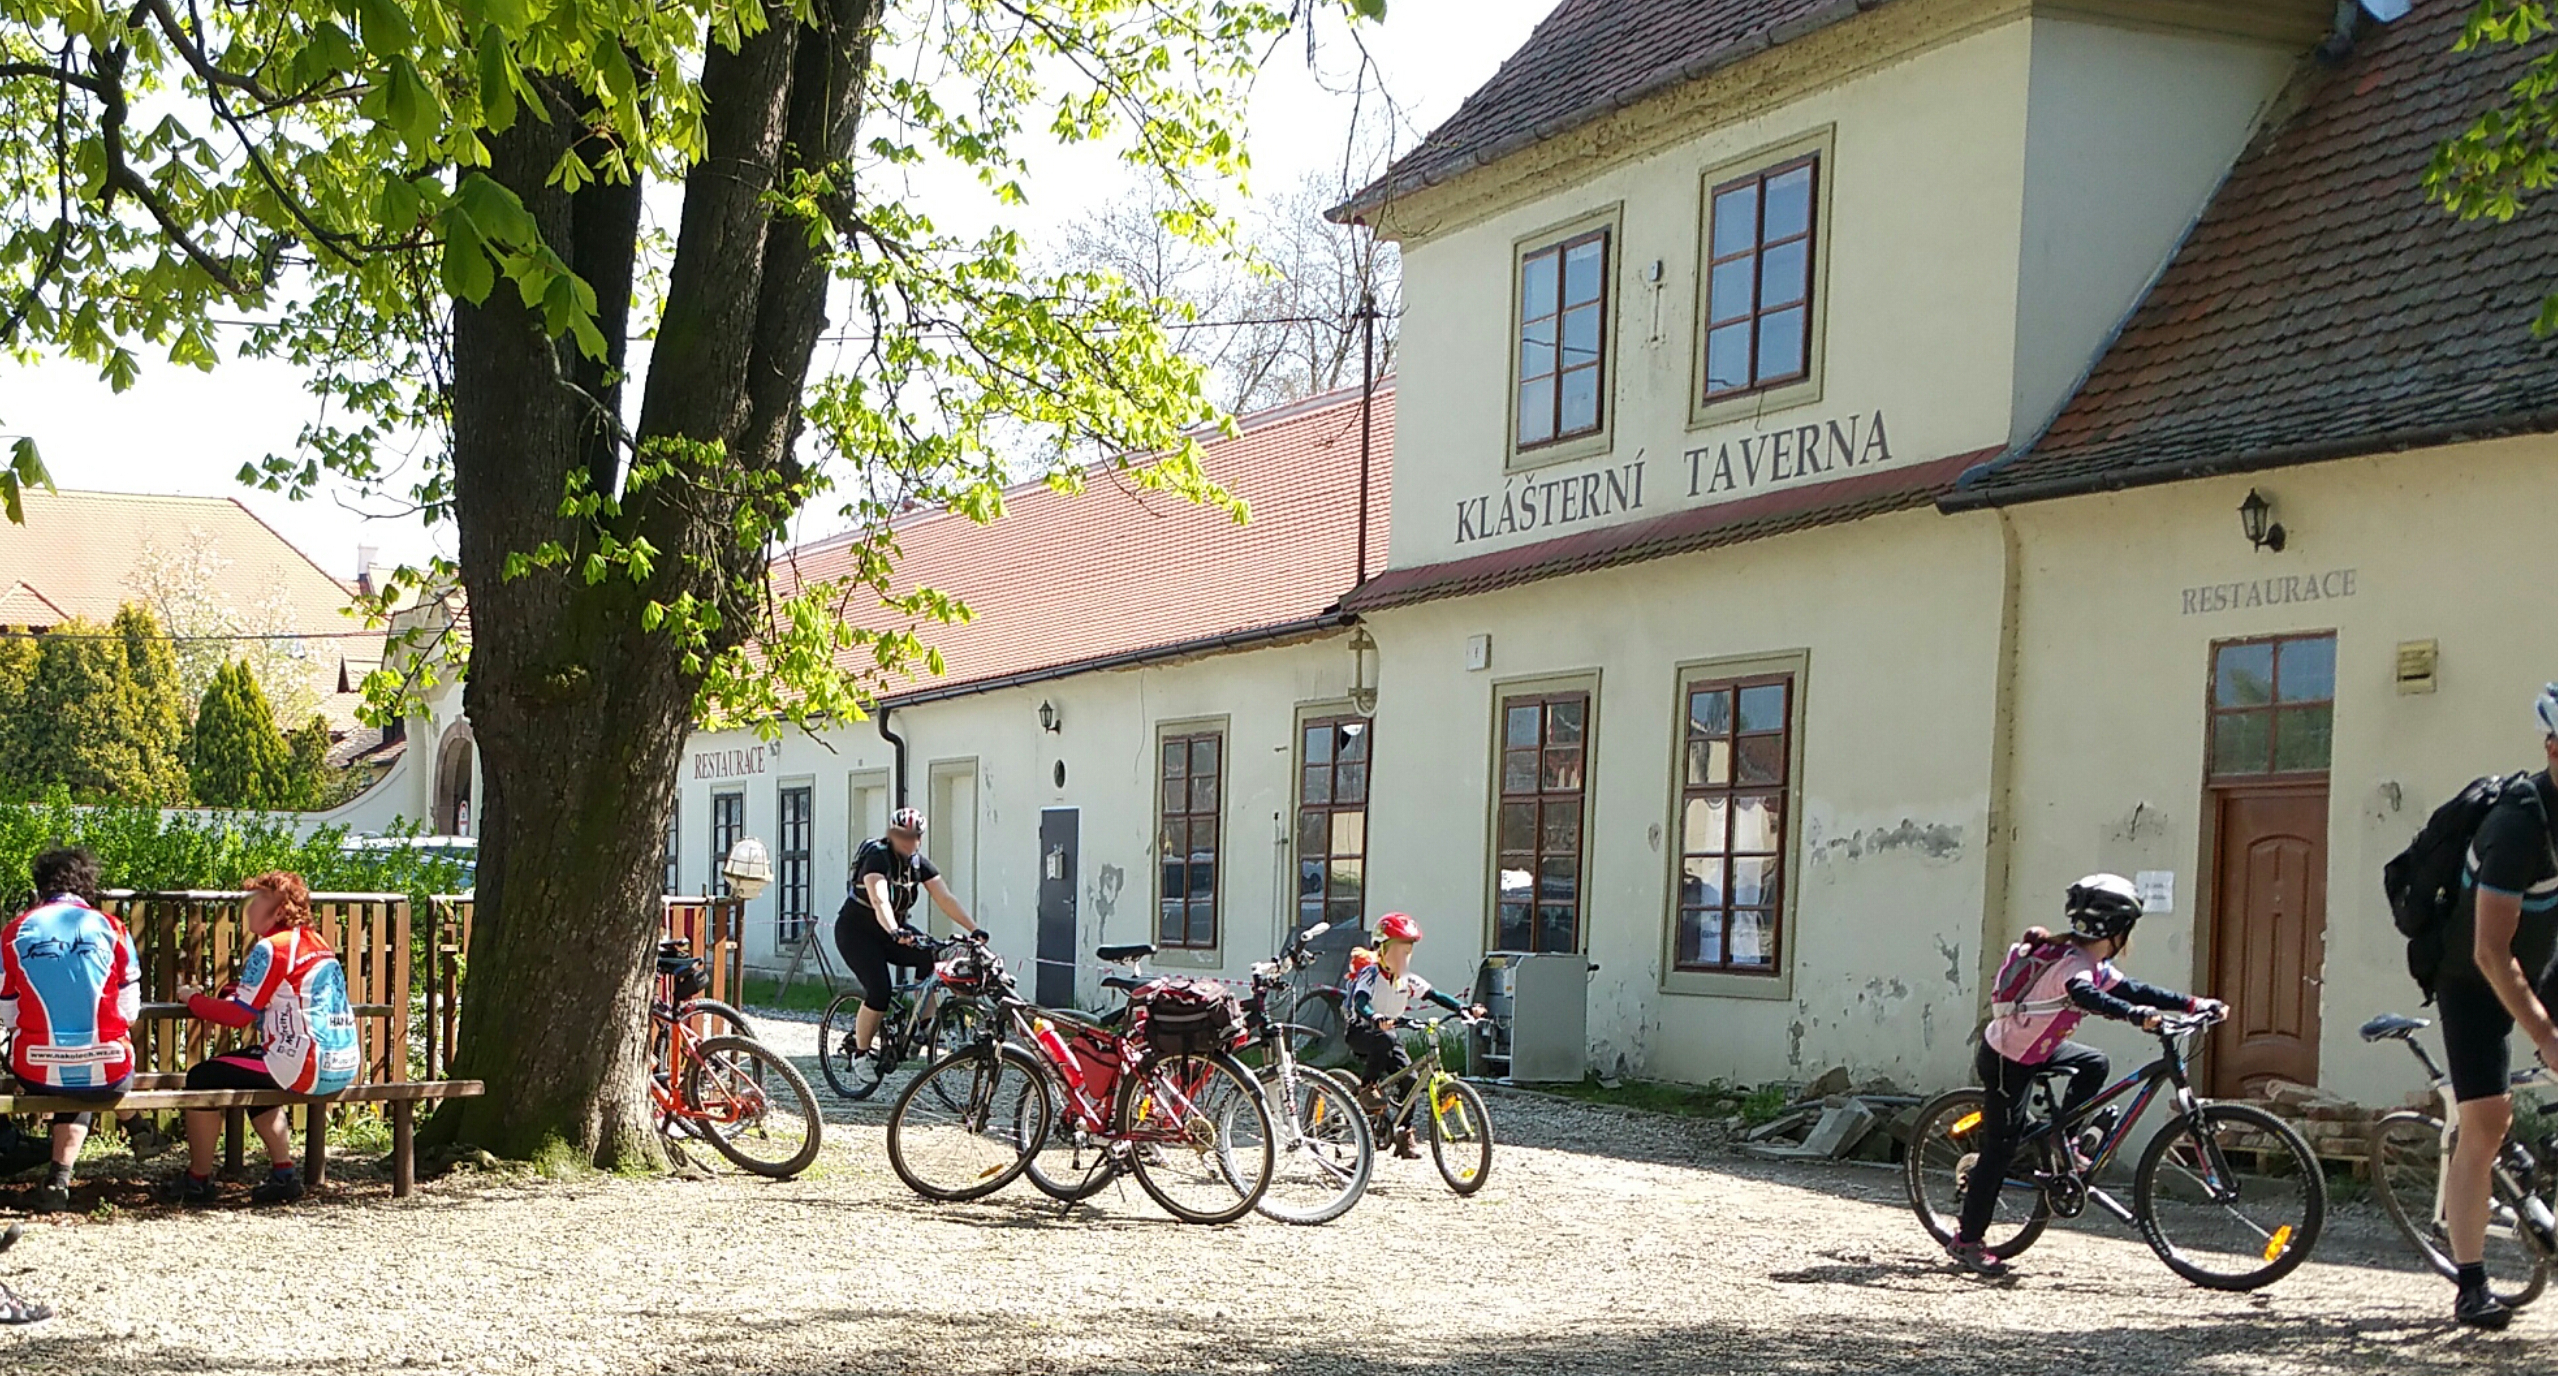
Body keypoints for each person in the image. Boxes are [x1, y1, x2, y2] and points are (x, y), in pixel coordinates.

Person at [1945, 874, 2220, 1278]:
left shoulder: (2090, 962)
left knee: (2094, 1063)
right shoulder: (2073, 965)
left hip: (2037, 1049)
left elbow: (2131, 990)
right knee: (1999, 1151)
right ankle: (1967, 1240)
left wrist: (2192, 1003)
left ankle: (2062, 1140)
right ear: (2117, 929)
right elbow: (2087, 995)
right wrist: (2133, 1016)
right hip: (2007, 1059)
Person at [2424, 685, 2558, 1328]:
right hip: (2473, 976)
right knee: (2486, 1122)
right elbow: (2489, 951)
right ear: (2553, 748)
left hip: (2545, 960)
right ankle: (2472, 1284)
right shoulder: (2518, 826)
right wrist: (2546, 1035)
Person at [162, 871, 362, 1206]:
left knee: (202, 1076)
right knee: (253, 1069)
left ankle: (197, 1181)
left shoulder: (273, 947)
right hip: (342, 1062)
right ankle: (283, 1175)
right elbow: (271, 993)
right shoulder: (315, 942)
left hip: (304, 1064)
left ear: (280, 909)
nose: (249, 908)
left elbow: (238, 1016)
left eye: (258, 900)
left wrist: (192, 999)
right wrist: (229, 994)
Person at [0, 846, 174, 1213]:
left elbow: (9, 1012)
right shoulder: (112, 928)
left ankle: (61, 1180)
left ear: (41, 885)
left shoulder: (14, 932)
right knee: (87, 1073)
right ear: (88, 885)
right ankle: (135, 1132)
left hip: (36, 1069)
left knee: (73, 1074)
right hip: (109, 1069)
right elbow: (129, 1012)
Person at [834, 808, 981, 1066]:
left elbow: (945, 898)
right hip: (857, 934)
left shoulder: (917, 865)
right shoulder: (877, 858)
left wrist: (974, 929)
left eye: (915, 836)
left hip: (893, 932)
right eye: (902, 836)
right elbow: (879, 899)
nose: (909, 841)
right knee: (880, 990)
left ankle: (919, 1028)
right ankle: (860, 1054)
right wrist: (894, 929)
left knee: (932, 957)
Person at [1342, 912, 1483, 1159]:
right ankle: (1367, 1088)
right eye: (1396, 952)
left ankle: (1404, 1134)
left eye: (1406, 953)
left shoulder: (1406, 979)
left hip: (1388, 1033)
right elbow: (1360, 1001)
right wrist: (1374, 1016)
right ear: (1380, 951)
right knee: (1385, 1039)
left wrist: (1463, 1008)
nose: (1402, 958)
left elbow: (1434, 995)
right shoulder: (1371, 975)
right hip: (1362, 1031)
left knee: (1411, 1080)